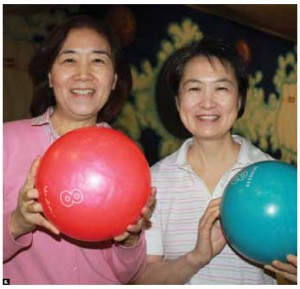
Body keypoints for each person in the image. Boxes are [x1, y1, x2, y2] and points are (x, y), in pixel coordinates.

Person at [3, 15, 155, 285]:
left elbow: (128, 274)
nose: (83, 74)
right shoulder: (7, 142)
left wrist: (130, 240)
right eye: (69, 59)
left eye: (98, 60)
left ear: (113, 79)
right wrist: (16, 223)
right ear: (50, 76)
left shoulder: (127, 161)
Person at [133, 38, 297, 284]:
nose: (207, 103)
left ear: (239, 100)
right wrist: (196, 258)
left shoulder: (279, 180)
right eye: (194, 89)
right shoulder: (154, 181)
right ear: (178, 102)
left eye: (221, 88)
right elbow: (143, 280)